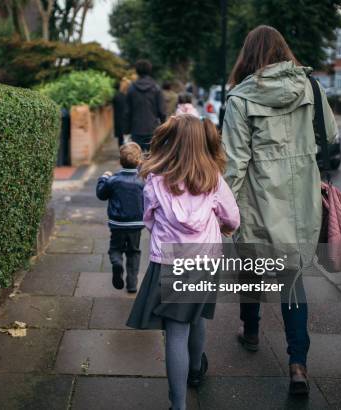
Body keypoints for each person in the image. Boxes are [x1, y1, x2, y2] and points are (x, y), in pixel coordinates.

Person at [221, 25, 338, 395]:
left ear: (248, 56)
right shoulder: (312, 88)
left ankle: (251, 332)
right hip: (301, 201)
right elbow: (330, 136)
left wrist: (223, 212)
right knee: (292, 281)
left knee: (254, 269)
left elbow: (235, 164)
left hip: (258, 202)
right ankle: (298, 365)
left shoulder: (240, 99)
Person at [127, 115, 240, 410]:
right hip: (205, 258)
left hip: (170, 260)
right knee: (198, 316)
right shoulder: (214, 178)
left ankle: (178, 405)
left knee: (176, 332)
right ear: (203, 142)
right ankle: (195, 370)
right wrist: (222, 226)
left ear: (170, 142)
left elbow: (149, 219)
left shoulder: (156, 179)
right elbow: (233, 219)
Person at [96, 142, 145, 292]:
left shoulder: (113, 180)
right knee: (133, 252)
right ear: (139, 161)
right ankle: (132, 284)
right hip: (136, 224)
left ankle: (117, 263)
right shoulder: (142, 181)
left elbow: (101, 195)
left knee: (115, 249)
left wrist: (103, 178)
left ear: (120, 161)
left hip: (117, 223)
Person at [125, 59, 166, 151]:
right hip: (153, 129)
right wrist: (163, 127)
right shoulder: (156, 88)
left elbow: (127, 112)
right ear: (149, 70)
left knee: (137, 158)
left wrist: (126, 130)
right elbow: (162, 111)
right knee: (153, 158)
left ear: (137, 71)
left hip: (136, 129)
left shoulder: (131, 89)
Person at [112, 80, 129, 146]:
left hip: (119, 120)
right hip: (128, 121)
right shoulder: (130, 96)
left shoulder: (116, 96)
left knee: (121, 140)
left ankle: (122, 154)